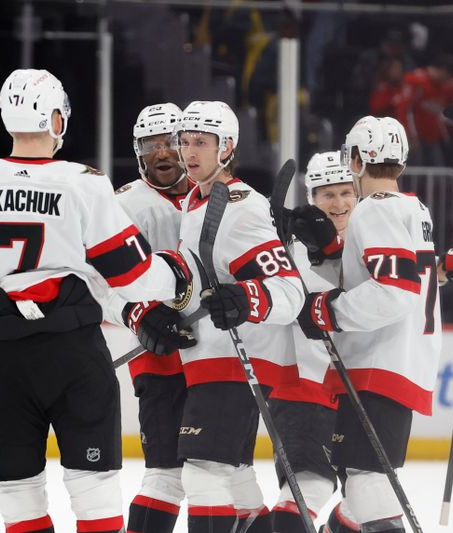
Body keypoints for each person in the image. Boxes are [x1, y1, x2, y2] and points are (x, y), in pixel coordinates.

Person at [0, 69, 194, 533]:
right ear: (55, 120)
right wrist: (179, 273)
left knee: (19, 496)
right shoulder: (83, 181)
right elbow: (133, 274)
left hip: (3, 359)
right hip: (74, 353)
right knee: (95, 491)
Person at [294, 116, 453, 533]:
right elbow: (402, 275)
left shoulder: (373, 211)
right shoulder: (412, 207)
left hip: (378, 364)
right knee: (359, 483)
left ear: (355, 160)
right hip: (400, 361)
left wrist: (325, 311)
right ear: (401, 162)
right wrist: (328, 255)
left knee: (366, 484)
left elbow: (394, 290)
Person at [164, 100, 304, 533]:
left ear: (227, 147)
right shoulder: (195, 201)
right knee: (235, 480)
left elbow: (289, 290)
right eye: (185, 141)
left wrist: (245, 299)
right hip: (211, 357)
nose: (189, 152)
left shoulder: (240, 206)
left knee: (202, 472)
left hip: (239, 361)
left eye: (201, 142)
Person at [269, 152, 360, 533]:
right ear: (311, 198)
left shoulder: (368, 241)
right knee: (308, 489)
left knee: (366, 502)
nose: (338, 204)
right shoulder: (292, 249)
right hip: (304, 388)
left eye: (346, 193)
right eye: (327, 195)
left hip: (354, 393)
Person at [113, 103, 192, 533]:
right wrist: (138, 313)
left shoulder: (214, 194)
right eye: (151, 145)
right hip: (159, 357)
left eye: (170, 143)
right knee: (167, 474)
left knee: (224, 474)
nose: (162, 153)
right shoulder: (125, 204)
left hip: (216, 359)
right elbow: (99, 277)